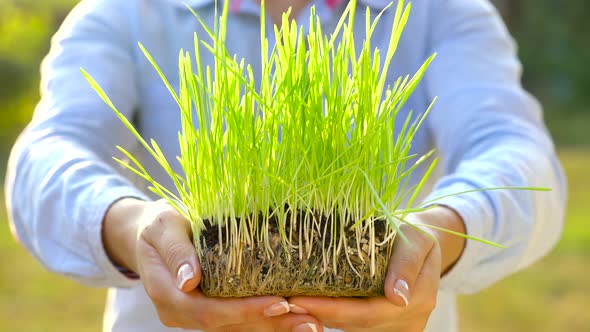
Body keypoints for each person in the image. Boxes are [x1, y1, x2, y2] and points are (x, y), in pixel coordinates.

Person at [5, 0, 566, 331]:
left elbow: (515, 152)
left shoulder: (441, 11)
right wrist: (130, 228)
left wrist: (443, 232)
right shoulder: (124, 12)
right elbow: (46, 156)